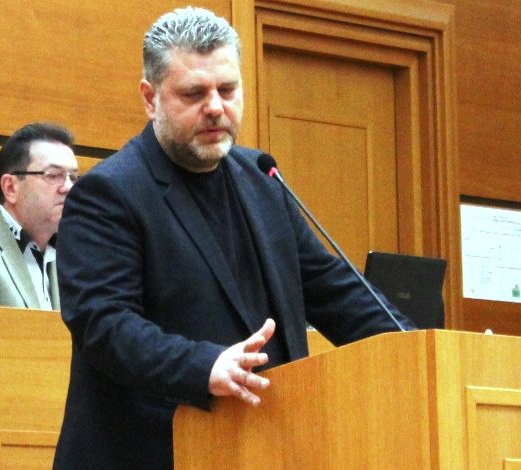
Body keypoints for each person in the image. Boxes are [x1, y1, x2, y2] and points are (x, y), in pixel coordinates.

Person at [53, 7, 414, 469]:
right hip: (154, 453)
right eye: (194, 93)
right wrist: (204, 366)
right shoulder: (110, 193)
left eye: (227, 89)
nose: (215, 107)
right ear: (150, 98)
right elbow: (104, 325)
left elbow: (334, 291)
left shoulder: (262, 178)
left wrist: (417, 348)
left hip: (261, 449)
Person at [0, 122, 78, 309]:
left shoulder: (74, 253)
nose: (69, 187)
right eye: (53, 175)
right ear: (10, 188)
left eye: (73, 177)